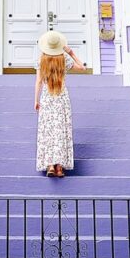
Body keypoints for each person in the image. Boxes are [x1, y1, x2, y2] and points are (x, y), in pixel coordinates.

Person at [34, 30, 86, 177]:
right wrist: (71, 52)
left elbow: (38, 81)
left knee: (48, 130)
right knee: (61, 130)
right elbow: (82, 67)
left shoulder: (41, 60)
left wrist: (36, 100)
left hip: (47, 97)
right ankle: (59, 168)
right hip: (61, 97)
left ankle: (50, 165)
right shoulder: (64, 59)